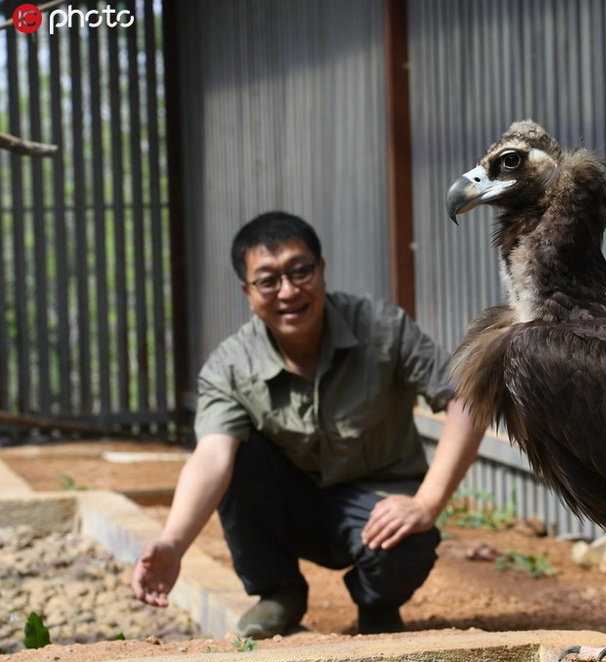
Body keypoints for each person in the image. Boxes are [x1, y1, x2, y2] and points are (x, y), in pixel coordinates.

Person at [131, 211, 485, 638]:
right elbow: (211, 457)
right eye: (268, 280)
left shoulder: (381, 328)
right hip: (291, 505)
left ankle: (377, 605)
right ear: (247, 292)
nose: (288, 291)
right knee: (239, 454)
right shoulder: (229, 366)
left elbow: (466, 399)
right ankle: (279, 594)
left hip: (374, 503)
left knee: (406, 544)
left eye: (300, 272)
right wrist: (173, 542)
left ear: (321, 269)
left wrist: (426, 502)